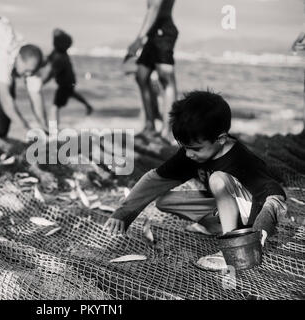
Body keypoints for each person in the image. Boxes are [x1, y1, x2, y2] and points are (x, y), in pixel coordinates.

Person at [104, 90, 288, 270]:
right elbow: (155, 179)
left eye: (195, 148)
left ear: (221, 139)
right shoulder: (190, 154)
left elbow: (275, 196)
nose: (189, 154)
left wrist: (263, 226)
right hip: (223, 210)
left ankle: (231, 248)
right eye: (184, 147)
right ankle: (216, 227)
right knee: (165, 200)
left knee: (217, 180)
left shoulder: (241, 160)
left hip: (251, 221)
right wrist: (124, 212)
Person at [126, 0, 178, 143]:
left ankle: (167, 131)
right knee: (141, 75)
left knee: (166, 79)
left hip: (163, 31)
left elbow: (154, 8)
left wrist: (138, 40)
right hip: (153, 33)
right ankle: (150, 126)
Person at [42, 28, 94, 129]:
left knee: (54, 107)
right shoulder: (62, 53)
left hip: (64, 84)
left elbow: (52, 73)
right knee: (71, 93)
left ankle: (54, 129)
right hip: (70, 81)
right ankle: (87, 105)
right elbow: (49, 58)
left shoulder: (59, 58)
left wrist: (42, 82)